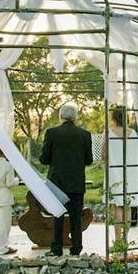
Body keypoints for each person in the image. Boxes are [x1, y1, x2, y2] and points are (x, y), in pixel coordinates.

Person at [40, 102, 94, 256]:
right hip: (76, 182)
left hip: (56, 182)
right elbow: (89, 160)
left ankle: (56, 248)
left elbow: (44, 159)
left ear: (61, 116)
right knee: (76, 218)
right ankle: (76, 248)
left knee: (57, 215)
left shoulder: (51, 133)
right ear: (75, 118)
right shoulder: (85, 134)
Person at [105, 108, 138, 245]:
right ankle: (125, 238)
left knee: (117, 207)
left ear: (113, 117)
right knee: (128, 206)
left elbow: (103, 155)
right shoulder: (134, 133)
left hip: (114, 172)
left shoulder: (108, 133)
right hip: (130, 172)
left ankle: (118, 241)